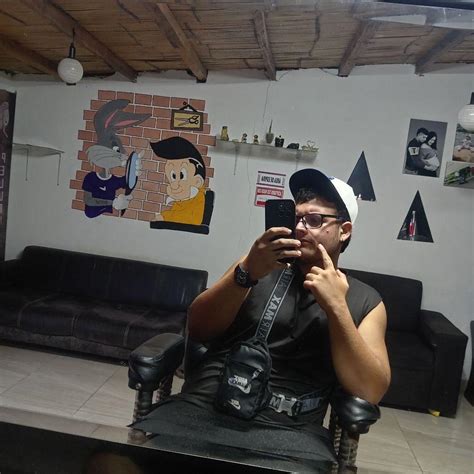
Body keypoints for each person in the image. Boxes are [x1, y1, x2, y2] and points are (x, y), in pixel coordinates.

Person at [135, 168, 390, 470]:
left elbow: (371, 389)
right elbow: (199, 329)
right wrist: (245, 273)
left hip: (289, 435)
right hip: (202, 410)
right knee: (107, 462)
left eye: (314, 220)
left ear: (344, 230)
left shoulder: (365, 300)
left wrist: (337, 308)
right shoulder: (256, 266)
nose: (300, 227)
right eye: (295, 217)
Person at [150, 136, 207, 225]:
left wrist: (165, 217)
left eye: (181, 176)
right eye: (173, 177)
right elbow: (176, 214)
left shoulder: (199, 199)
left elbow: (192, 219)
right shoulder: (182, 201)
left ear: (197, 181)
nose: (174, 185)